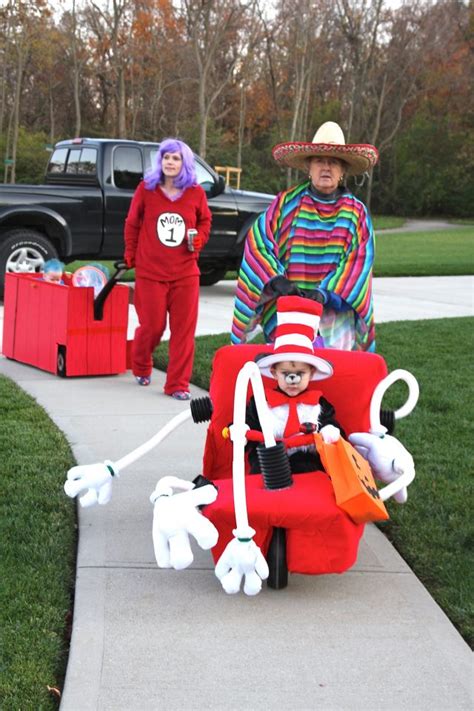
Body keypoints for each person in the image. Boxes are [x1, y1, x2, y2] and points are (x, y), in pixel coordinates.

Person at [231, 121, 379, 352]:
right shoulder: (285, 204)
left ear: (343, 171)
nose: (326, 167)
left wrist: (324, 294)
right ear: (309, 166)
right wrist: (275, 280)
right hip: (288, 310)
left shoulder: (356, 213)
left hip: (333, 319)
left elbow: (357, 265)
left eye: (334, 162)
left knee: (333, 375)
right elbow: (258, 244)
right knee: (288, 371)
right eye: (320, 160)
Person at [124, 138, 212, 400]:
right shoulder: (146, 189)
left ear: (184, 163)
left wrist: (199, 241)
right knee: (152, 326)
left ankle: (177, 384)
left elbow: (205, 222)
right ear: (160, 161)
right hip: (151, 272)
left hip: (185, 273)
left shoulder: (196, 192)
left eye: (176, 158)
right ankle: (140, 363)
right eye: (166, 157)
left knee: (184, 332)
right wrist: (130, 253)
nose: (170, 162)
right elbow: (132, 223)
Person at [244, 296, 345, 474]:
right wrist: (241, 430)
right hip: (269, 460)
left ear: (312, 373)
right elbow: (247, 424)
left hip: (305, 460)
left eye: (300, 373)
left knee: (310, 469)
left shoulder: (318, 403)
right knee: (262, 465)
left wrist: (330, 430)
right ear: (274, 373)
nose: (293, 380)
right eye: (286, 374)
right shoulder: (260, 401)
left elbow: (334, 427)